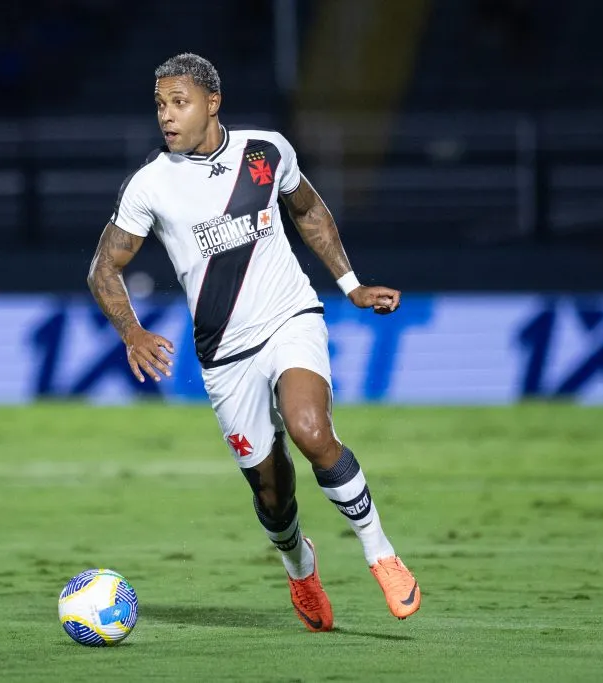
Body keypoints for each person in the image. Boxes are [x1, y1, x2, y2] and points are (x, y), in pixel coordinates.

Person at [86, 53, 419, 632]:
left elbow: (308, 209)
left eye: (179, 102)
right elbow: (103, 269)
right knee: (272, 492)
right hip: (223, 352)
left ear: (212, 102)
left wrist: (351, 285)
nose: (167, 115)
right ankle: (300, 567)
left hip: (290, 317)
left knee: (312, 431)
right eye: (160, 104)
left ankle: (380, 552)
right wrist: (132, 331)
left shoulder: (265, 152)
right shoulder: (150, 185)